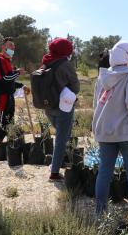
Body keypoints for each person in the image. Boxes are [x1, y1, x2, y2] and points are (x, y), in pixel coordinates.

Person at [93, 41, 128, 215]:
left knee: (104, 172)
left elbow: (96, 104)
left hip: (105, 132)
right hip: (127, 132)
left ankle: (100, 213)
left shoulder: (102, 77)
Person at [40, 38, 80, 181]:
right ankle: (55, 172)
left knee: (62, 135)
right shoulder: (65, 64)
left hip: (47, 104)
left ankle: (58, 161)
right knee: (61, 138)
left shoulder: (46, 61)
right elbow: (76, 87)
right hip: (63, 106)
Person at [0, 37, 28, 149]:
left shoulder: (7, 61)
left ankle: (9, 144)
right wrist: (17, 72)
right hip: (2, 96)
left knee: (10, 119)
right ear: (3, 47)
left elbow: (10, 81)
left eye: (13, 46)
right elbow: (5, 78)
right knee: (1, 120)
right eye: (10, 45)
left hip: (9, 95)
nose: (12, 48)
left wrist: (21, 86)